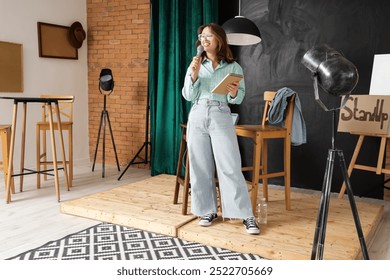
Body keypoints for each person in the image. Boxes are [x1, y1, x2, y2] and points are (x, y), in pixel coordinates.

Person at [182, 23, 259, 235]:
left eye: (209, 36)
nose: (204, 39)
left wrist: (233, 92)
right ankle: (207, 210)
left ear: (219, 40)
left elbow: (239, 96)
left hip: (221, 113)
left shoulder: (233, 67)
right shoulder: (196, 64)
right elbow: (188, 95)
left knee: (230, 165)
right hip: (197, 113)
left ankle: (246, 215)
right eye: (202, 36)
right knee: (200, 166)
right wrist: (194, 75)